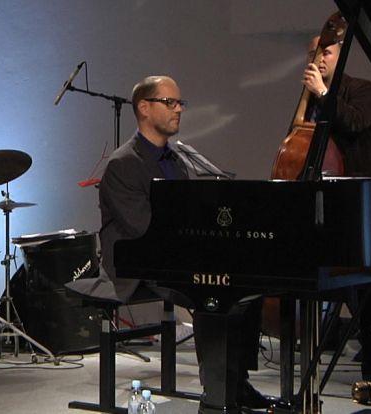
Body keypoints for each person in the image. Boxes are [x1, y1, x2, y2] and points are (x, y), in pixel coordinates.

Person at [67, 76, 269, 413]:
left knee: (247, 280)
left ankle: (236, 382)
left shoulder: (177, 160)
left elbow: (189, 219)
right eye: (170, 102)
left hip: (175, 255)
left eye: (180, 103)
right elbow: (142, 228)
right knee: (211, 289)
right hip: (137, 262)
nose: (178, 109)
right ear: (144, 108)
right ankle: (216, 394)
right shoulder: (123, 164)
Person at [303, 23, 371, 403]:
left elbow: (355, 123)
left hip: (355, 201)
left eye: (326, 51)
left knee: (365, 291)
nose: (319, 58)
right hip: (318, 202)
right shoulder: (309, 99)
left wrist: (324, 94)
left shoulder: (363, 90)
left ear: (341, 54)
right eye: (315, 53)